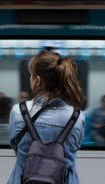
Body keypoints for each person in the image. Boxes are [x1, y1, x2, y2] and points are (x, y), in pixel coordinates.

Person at [8, 50, 85, 184]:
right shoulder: (77, 117)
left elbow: (16, 146)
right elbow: (74, 148)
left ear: (37, 80)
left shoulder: (19, 112)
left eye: (31, 75)